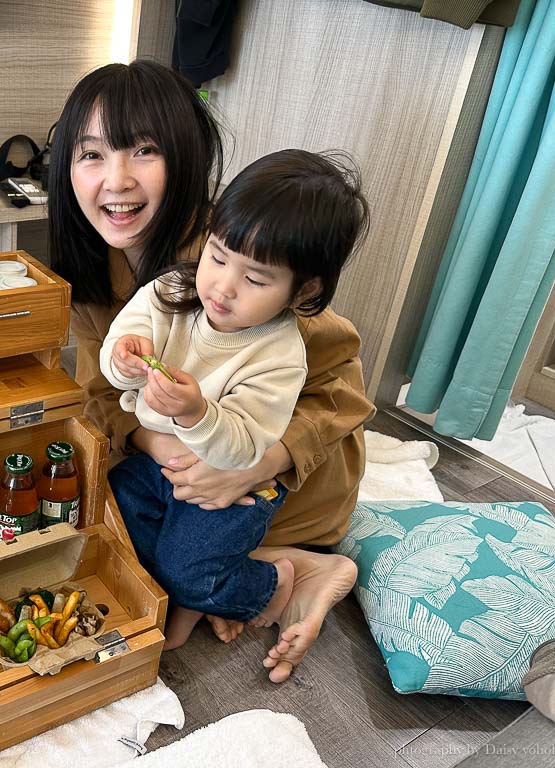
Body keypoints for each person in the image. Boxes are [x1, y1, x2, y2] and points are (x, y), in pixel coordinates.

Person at [48, 59, 375, 682]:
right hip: (181, 465)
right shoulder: (93, 266)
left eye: (144, 151)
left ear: (186, 159)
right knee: (97, 521)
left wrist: (261, 461)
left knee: (179, 560)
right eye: (91, 155)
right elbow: (97, 391)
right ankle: (223, 584)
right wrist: (156, 441)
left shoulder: (230, 263)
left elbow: (342, 387)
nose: (116, 180)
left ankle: (289, 568)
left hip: (277, 479)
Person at [101, 149, 367, 650]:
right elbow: (117, 352)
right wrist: (124, 358)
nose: (222, 287)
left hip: (237, 482)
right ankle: (191, 594)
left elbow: (243, 447)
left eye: (256, 279)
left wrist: (196, 413)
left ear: (302, 290)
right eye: (218, 256)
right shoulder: (170, 291)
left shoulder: (280, 354)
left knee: (191, 568)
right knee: (113, 510)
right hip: (165, 467)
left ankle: (269, 586)